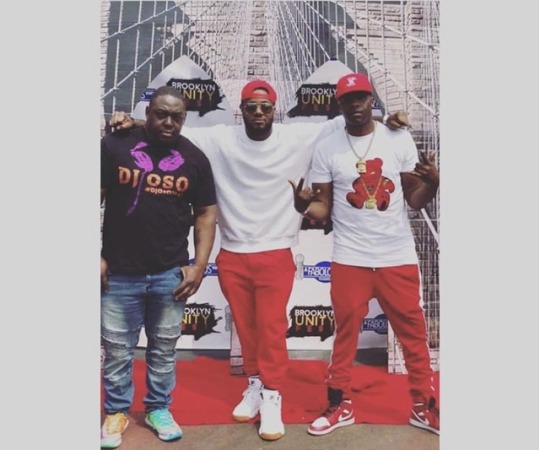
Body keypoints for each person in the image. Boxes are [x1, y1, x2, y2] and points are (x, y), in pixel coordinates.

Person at [109, 80, 408, 441]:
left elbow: (351, 118)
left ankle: (272, 396)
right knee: (247, 329)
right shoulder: (220, 138)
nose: (259, 113)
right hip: (233, 253)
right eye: (251, 107)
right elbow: (170, 125)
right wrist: (132, 122)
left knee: (271, 330)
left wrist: (389, 120)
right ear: (242, 110)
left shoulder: (296, 137)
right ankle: (255, 384)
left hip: (275, 251)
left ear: (275, 110)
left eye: (265, 107)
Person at [289, 72, 440, 436]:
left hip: (396, 255)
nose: (355, 105)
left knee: (413, 335)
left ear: (372, 100)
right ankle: (339, 404)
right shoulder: (328, 147)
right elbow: (323, 208)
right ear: (338, 104)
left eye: (361, 97)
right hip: (351, 258)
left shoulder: (397, 138)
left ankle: (424, 406)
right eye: (348, 99)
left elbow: (414, 199)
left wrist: (434, 184)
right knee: (345, 335)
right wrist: (304, 207)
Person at [100, 86, 217, 448]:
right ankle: (116, 411)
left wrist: (199, 265)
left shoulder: (194, 158)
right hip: (119, 272)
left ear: (184, 118)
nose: (168, 122)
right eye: (161, 114)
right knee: (117, 350)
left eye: (176, 117)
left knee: (164, 350)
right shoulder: (115, 145)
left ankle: (158, 408)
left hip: (169, 273)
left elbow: (206, 213)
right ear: (147, 113)